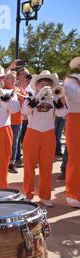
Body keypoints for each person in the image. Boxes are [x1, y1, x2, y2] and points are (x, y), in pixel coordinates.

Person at [22, 70, 67, 207]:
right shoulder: (30, 97)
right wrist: (37, 98)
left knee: (47, 167)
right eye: (42, 83)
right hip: (32, 133)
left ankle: (45, 196)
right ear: (37, 85)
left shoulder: (55, 98)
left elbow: (63, 113)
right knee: (29, 166)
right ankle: (27, 194)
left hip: (48, 134)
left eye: (48, 83)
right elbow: (24, 112)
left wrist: (55, 99)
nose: (45, 85)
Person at [65, 56, 80, 208]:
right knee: (76, 158)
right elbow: (77, 97)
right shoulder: (71, 79)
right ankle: (73, 193)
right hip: (76, 120)